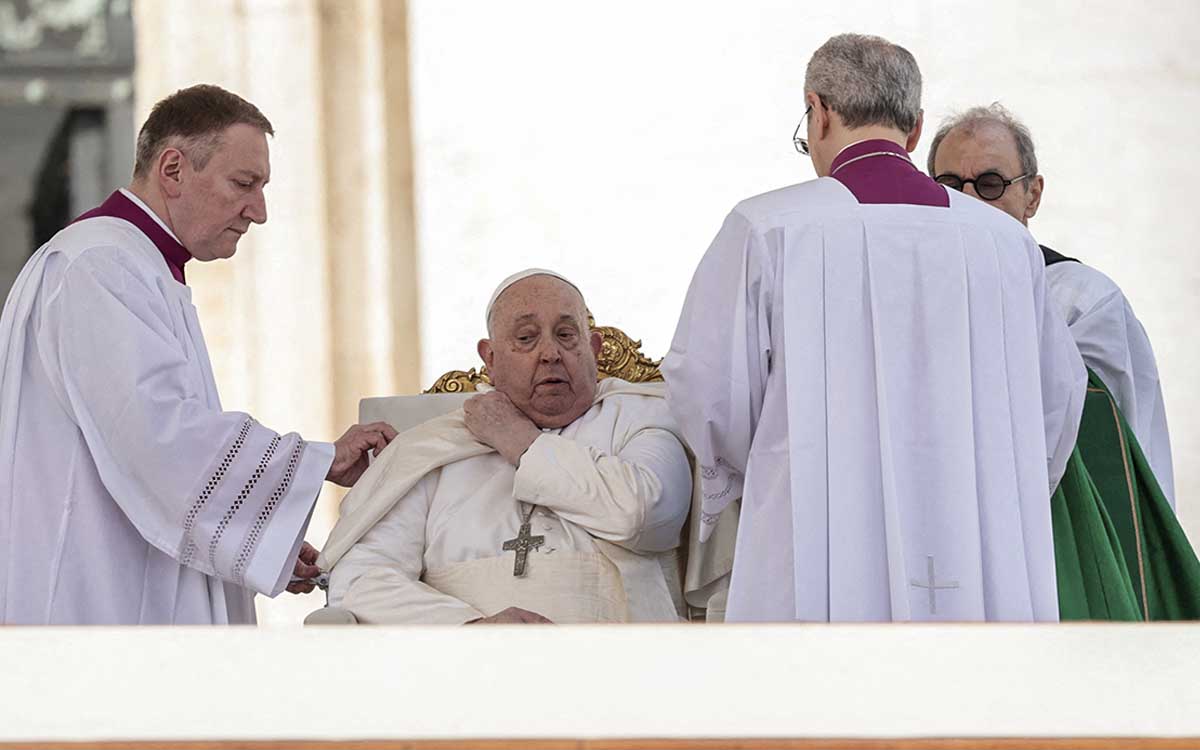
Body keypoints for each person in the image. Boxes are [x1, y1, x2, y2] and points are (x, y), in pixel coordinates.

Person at [663, 33, 1086, 622]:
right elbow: (1057, 397)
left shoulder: (769, 228)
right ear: (914, 129)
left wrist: (787, 456)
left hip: (816, 526)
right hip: (978, 530)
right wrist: (994, 478)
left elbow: (710, 391)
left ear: (820, 111)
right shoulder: (1005, 244)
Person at [0, 84, 396, 625]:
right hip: (97, 602)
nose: (258, 211)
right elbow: (157, 439)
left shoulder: (130, 263)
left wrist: (263, 542)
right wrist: (318, 461)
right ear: (173, 169)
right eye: (244, 184)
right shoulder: (99, 266)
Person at [928, 104, 1199, 620]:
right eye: (948, 183)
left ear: (1032, 194)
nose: (967, 200)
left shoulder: (1082, 299)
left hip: (1061, 540)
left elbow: (1110, 441)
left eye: (989, 183)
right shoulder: (906, 293)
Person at [321, 269, 692, 624]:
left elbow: (646, 516)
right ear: (491, 359)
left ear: (593, 349)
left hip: (620, 667)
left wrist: (521, 442)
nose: (550, 353)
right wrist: (470, 627)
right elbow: (360, 579)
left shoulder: (641, 415)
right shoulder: (432, 448)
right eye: (526, 338)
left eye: (566, 335)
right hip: (464, 673)